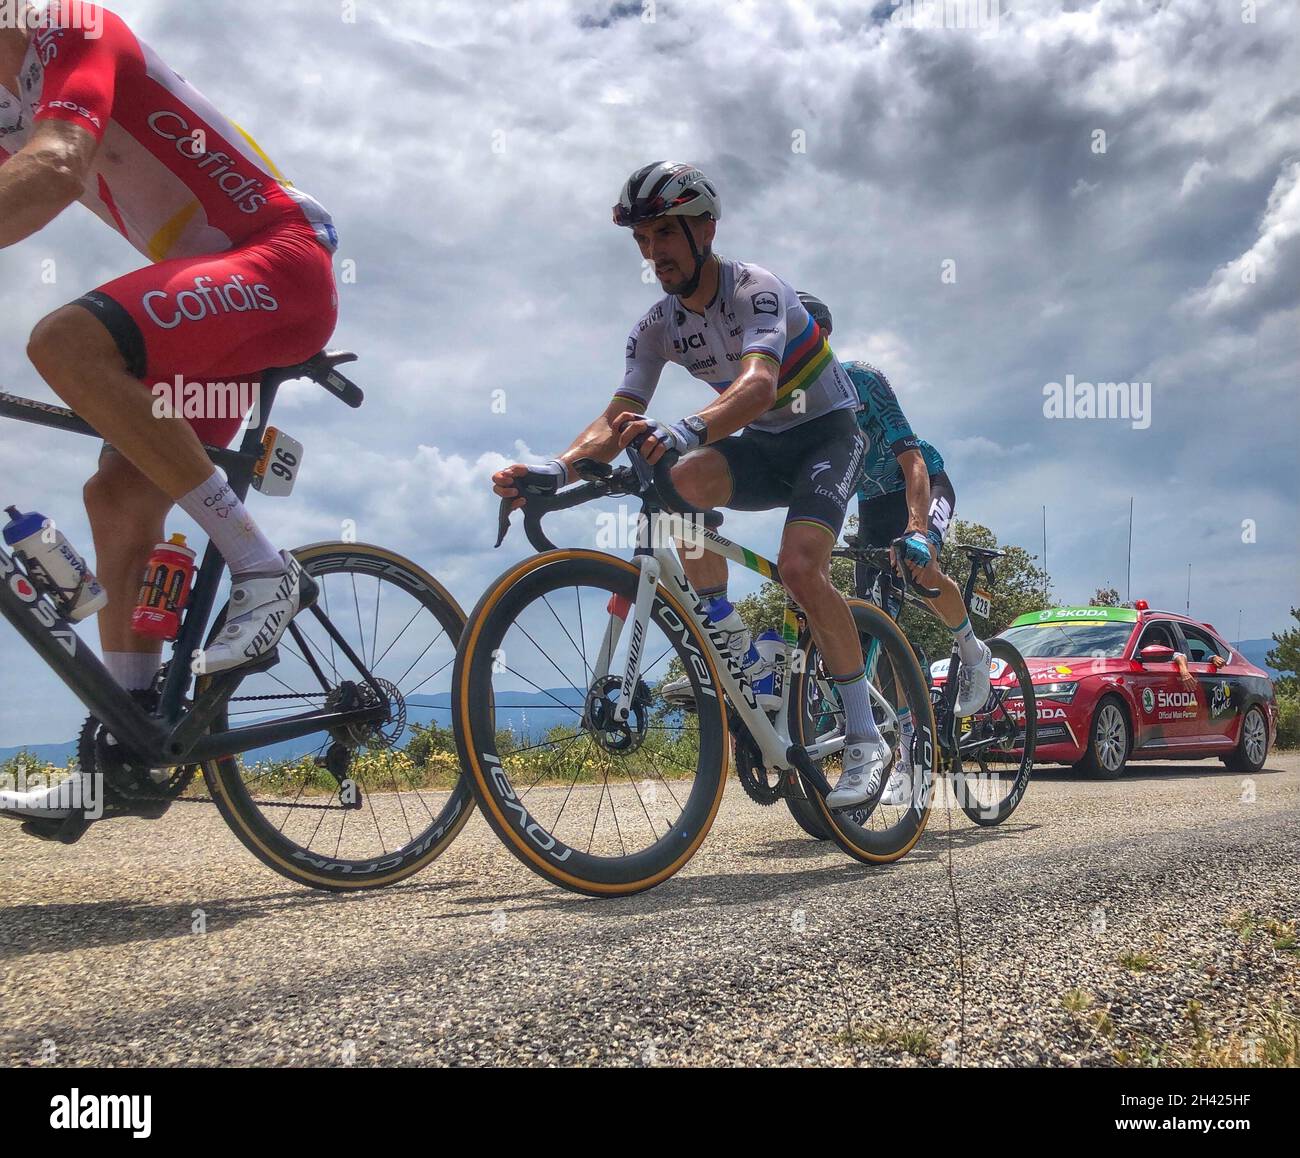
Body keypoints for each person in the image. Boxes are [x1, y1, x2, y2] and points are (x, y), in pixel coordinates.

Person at [0, 3, 337, 819]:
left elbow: (53, 170)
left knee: (67, 344)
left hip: (281, 260)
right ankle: (130, 744)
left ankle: (265, 568)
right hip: (213, 306)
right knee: (117, 494)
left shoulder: (73, 28)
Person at [492, 161, 897, 810]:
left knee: (798, 568)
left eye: (664, 236)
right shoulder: (656, 327)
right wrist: (557, 468)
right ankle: (740, 649)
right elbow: (617, 413)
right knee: (674, 487)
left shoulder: (755, 290)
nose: (654, 254)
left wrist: (685, 428)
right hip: (762, 446)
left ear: (704, 228)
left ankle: (863, 734)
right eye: (643, 242)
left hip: (826, 436)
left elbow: (760, 383)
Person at [794, 294, 992, 805]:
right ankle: (908, 754)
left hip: (921, 485)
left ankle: (974, 650)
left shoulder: (864, 380)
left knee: (918, 566)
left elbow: (913, 463)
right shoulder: (794, 402)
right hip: (869, 506)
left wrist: (918, 527)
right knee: (876, 634)